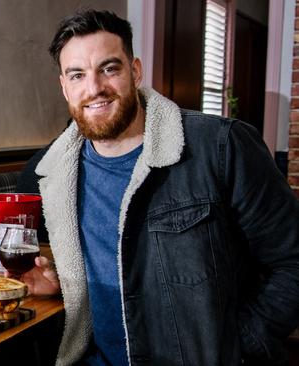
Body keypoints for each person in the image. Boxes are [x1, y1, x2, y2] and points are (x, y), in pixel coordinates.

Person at [22, 10, 299, 366]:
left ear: (135, 71)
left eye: (109, 68)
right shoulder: (49, 173)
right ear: (64, 86)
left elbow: (292, 262)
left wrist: (238, 346)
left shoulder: (221, 147)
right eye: (78, 75)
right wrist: (60, 284)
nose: (94, 89)